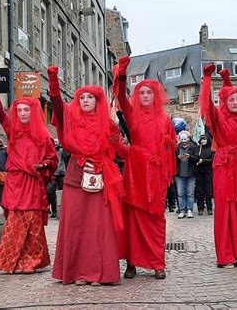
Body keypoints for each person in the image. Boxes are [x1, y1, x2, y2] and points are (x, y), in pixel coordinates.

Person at [48, 66, 127, 286]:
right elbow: (56, 103)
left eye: (89, 97)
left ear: (97, 101)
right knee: (75, 224)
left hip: (101, 177)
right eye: (81, 97)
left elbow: (119, 149)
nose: (85, 100)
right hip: (75, 178)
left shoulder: (109, 125)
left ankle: (99, 272)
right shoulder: (70, 122)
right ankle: (77, 272)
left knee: (98, 227)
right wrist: (53, 81)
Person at [0, 79, 58, 274]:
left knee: (33, 224)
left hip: (33, 183)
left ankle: (32, 262)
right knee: (15, 221)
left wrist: (43, 165)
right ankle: (11, 261)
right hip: (16, 183)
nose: (23, 113)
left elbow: (53, 159)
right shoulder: (13, 130)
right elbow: (0, 113)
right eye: (20, 110)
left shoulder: (44, 137)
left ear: (33, 112)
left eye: (26, 110)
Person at [116, 56, 177, 280]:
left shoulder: (165, 120)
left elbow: (171, 150)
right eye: (141, 93)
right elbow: (121, 97)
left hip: (156, 174)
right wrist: (122, 74)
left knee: (156, 220)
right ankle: (131, 263)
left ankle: (157, 263)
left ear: (155, 96)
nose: (144, 96)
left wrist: (166, 173)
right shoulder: (131, 116)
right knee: (132, 219)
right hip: (136, 173)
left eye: (148, 93)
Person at [199, 65, 237, 269]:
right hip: (224, 166)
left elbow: (227, 92)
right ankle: (225, 256)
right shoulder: (219, 118)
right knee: (225, 210)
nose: (235, 102)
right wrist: (206, 78)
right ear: (225, 102)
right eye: (231, 100)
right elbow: (207, 104)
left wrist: (227, 79)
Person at [175, 130, 199, 219]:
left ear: (188, 140)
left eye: (185, 140)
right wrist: (178, 158)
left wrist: (190, 157)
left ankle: (189, 210)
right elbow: (172, 159)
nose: (184, 142)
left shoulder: (194, 147)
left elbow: (197, 158)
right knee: (180, 193)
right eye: (182, 140)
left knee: (190, 193)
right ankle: (182, 210)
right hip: (179, 174)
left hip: (191, 174)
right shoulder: (176, 148)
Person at [195, 134, 215, 215]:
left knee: (208, 190)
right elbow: (195, 157)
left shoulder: (211, 149)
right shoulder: (198, 148)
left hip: (208, 171)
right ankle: (200, 207)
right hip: (199, 171)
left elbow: (212, 160)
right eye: (202, 139)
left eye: (205, 139)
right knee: (199, 190)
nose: (203, 141)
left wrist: (203, 161)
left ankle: (209, 207)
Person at [48, 138, 67, 218]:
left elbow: (66, 156)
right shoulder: (49, 151)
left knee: (63, 193)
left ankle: (63, 211)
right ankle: (54, 211)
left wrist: (62, 147)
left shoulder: (62, 150)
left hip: (61, 173)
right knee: (50, 192)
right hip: (53, 174)